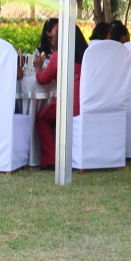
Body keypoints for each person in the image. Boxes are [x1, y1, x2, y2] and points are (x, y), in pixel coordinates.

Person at [34, 25, 88, 170]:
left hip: (68, 104)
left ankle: (51, 159)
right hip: (86, 105)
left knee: (42, 118)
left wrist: (38, 69)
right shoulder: (87, 56)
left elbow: (43, 80)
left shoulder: (59, 55)